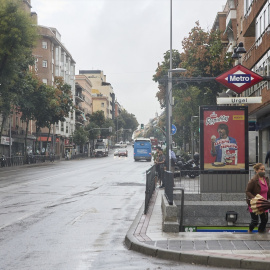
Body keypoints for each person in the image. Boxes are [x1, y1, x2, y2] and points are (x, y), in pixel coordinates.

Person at [246, 163, 270, 233]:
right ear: (256, 170)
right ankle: (250, 231)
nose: (263, 171)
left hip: (264, 204)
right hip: (255, 204)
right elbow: (247, 191)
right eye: (261, 169)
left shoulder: (266, 179)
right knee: (255, 221)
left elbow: (268, 190)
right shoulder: (253, 181)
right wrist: (254, 199)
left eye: (264, 169)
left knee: (264, 220)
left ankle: (260, 233)